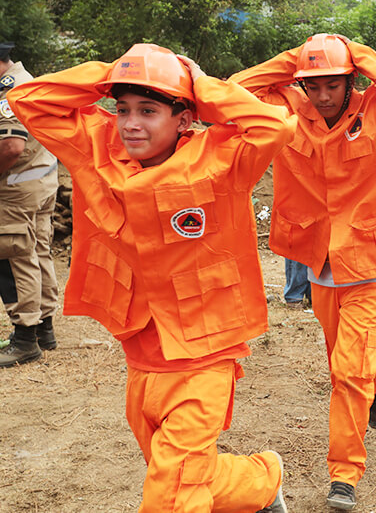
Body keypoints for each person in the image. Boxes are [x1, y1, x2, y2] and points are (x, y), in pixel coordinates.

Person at [9, 43, 296, 511]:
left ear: (184, 119)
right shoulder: (97, 146)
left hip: (206, 352)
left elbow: (276, 125)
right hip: (141, 351)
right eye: (122, 109)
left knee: (172, 495)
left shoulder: (222, 157)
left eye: (148, 110)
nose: (130, 123)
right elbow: (28, 99)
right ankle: (262, 480)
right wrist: (116, 72)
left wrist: (199, 85)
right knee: (178, 472)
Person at [230, 34, 376, 510]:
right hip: (320, 261)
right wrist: (296, 61)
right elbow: (235, 89)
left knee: (348, 370)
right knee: (348, 360)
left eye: (332, 84)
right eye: (312, 85)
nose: (322, 96)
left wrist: (355, 53)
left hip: (369, 262)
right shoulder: (288, 110)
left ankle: (344, 474)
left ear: (350, 79)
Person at [0, 41, 60, 367]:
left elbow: (10, 147)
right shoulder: (27, 81)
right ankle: (43, 330)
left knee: (13, 256)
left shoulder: (9, 92)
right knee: (38, 251)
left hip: (16, 187)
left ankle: (24, 339)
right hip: (40, 179)